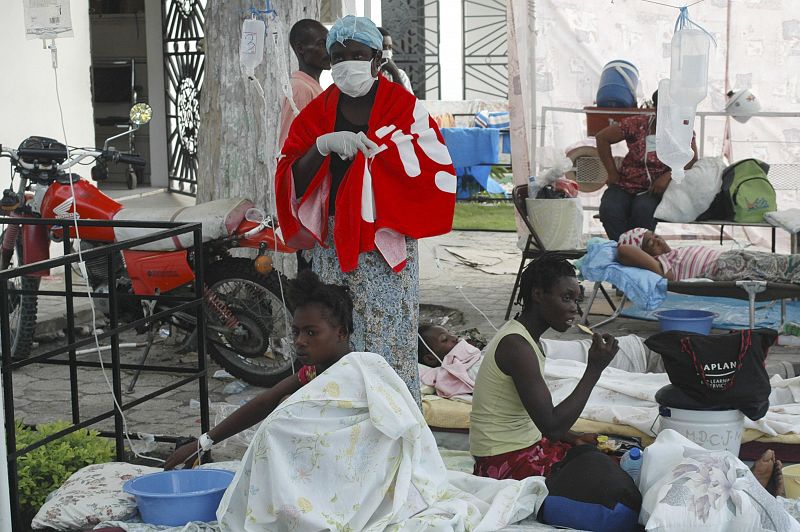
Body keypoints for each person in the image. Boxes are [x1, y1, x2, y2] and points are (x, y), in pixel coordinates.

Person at [275, 15, 456, 404]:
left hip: (386, 241)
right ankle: (341, 415)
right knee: (337, 335)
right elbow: (291, 175)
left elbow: (432, 166)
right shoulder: (318, 112)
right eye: (338, 54)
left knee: (388, 338)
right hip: (335, 243)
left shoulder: (403, 107)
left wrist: (384, 159)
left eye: (357, 54)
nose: (347, 62)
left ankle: (395, 417)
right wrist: (321, 146)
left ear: (376, 59)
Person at [164, 270, 354, 470]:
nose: (300, 341)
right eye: (296, 332)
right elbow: (266, 401)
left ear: (340, 333)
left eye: (311, 332)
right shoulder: (313, 372)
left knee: (290, 406)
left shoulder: (357, 374)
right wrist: (203, 443)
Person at [470, 254, 620, 480]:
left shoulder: (526, 339)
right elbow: (552, 426)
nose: (574, 309)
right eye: (567, 298)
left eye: (577, 300)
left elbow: (542, 420)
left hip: (523, 447)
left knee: (608, 459)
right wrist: (594, 370)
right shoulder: (516, 346)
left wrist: (573, 437)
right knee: (604, 474)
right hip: (503, 462)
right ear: (538, 295)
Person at [596, 90, 699, 241]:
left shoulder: (682, 129)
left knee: (643, 210)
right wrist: (612, 173)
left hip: (653, 190)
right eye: (663, 109)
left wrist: (668, 176)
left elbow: (691, 158)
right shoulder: (638, 124)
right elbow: (602, 137)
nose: (668, 113)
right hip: (625, 184)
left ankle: (637, 254)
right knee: (609, 209)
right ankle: (622, 249)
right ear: (655, 108)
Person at [616, 227, 800, 283]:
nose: (657, 240)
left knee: (783, 261)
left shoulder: (673, 254)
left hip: (732, 258)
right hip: (724, 267)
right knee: (782, 268)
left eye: (655, 235)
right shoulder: (660, 265)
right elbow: (624, 251)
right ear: (644, 254)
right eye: (650, 243)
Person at [277, 19, 331, 148]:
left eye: (330, 44)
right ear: (301, 49)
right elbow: (290, 146)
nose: (329, 50)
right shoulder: (300, 88)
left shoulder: (312, 87)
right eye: (322, 44)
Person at [377, 26, 413, 93]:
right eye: (383, 47)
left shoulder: (400, 75)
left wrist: (395, 73)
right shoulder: (365, 73)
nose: (387, 51)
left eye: (390, 47)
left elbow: (408, 101)